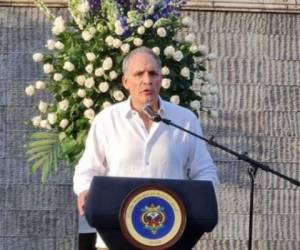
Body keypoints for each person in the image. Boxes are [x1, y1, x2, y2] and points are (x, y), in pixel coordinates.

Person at [73, 46, 219, 248]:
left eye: (153, 73)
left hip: (170, 237)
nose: (147, 80)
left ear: (161, 80)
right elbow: (87, 169)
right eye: (139, 74)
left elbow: (205, 171)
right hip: (114, 237)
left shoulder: (184, 120)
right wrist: (85, 191)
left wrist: (200, 202)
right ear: (126, 82)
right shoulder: (107, 120)